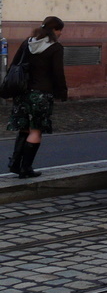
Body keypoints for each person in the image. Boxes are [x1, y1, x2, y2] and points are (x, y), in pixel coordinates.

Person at [6, 16, 67, 179]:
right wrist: (62, 92)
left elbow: (14, 65)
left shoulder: (28, 42)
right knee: (36, 131)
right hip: (41, 93)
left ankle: (15, 164)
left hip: (22, 92)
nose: (61, 33)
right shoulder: (55, 48)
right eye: (60, 30)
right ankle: (26, 168)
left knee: (24, 128)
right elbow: (58, 73)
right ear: (54, 30)